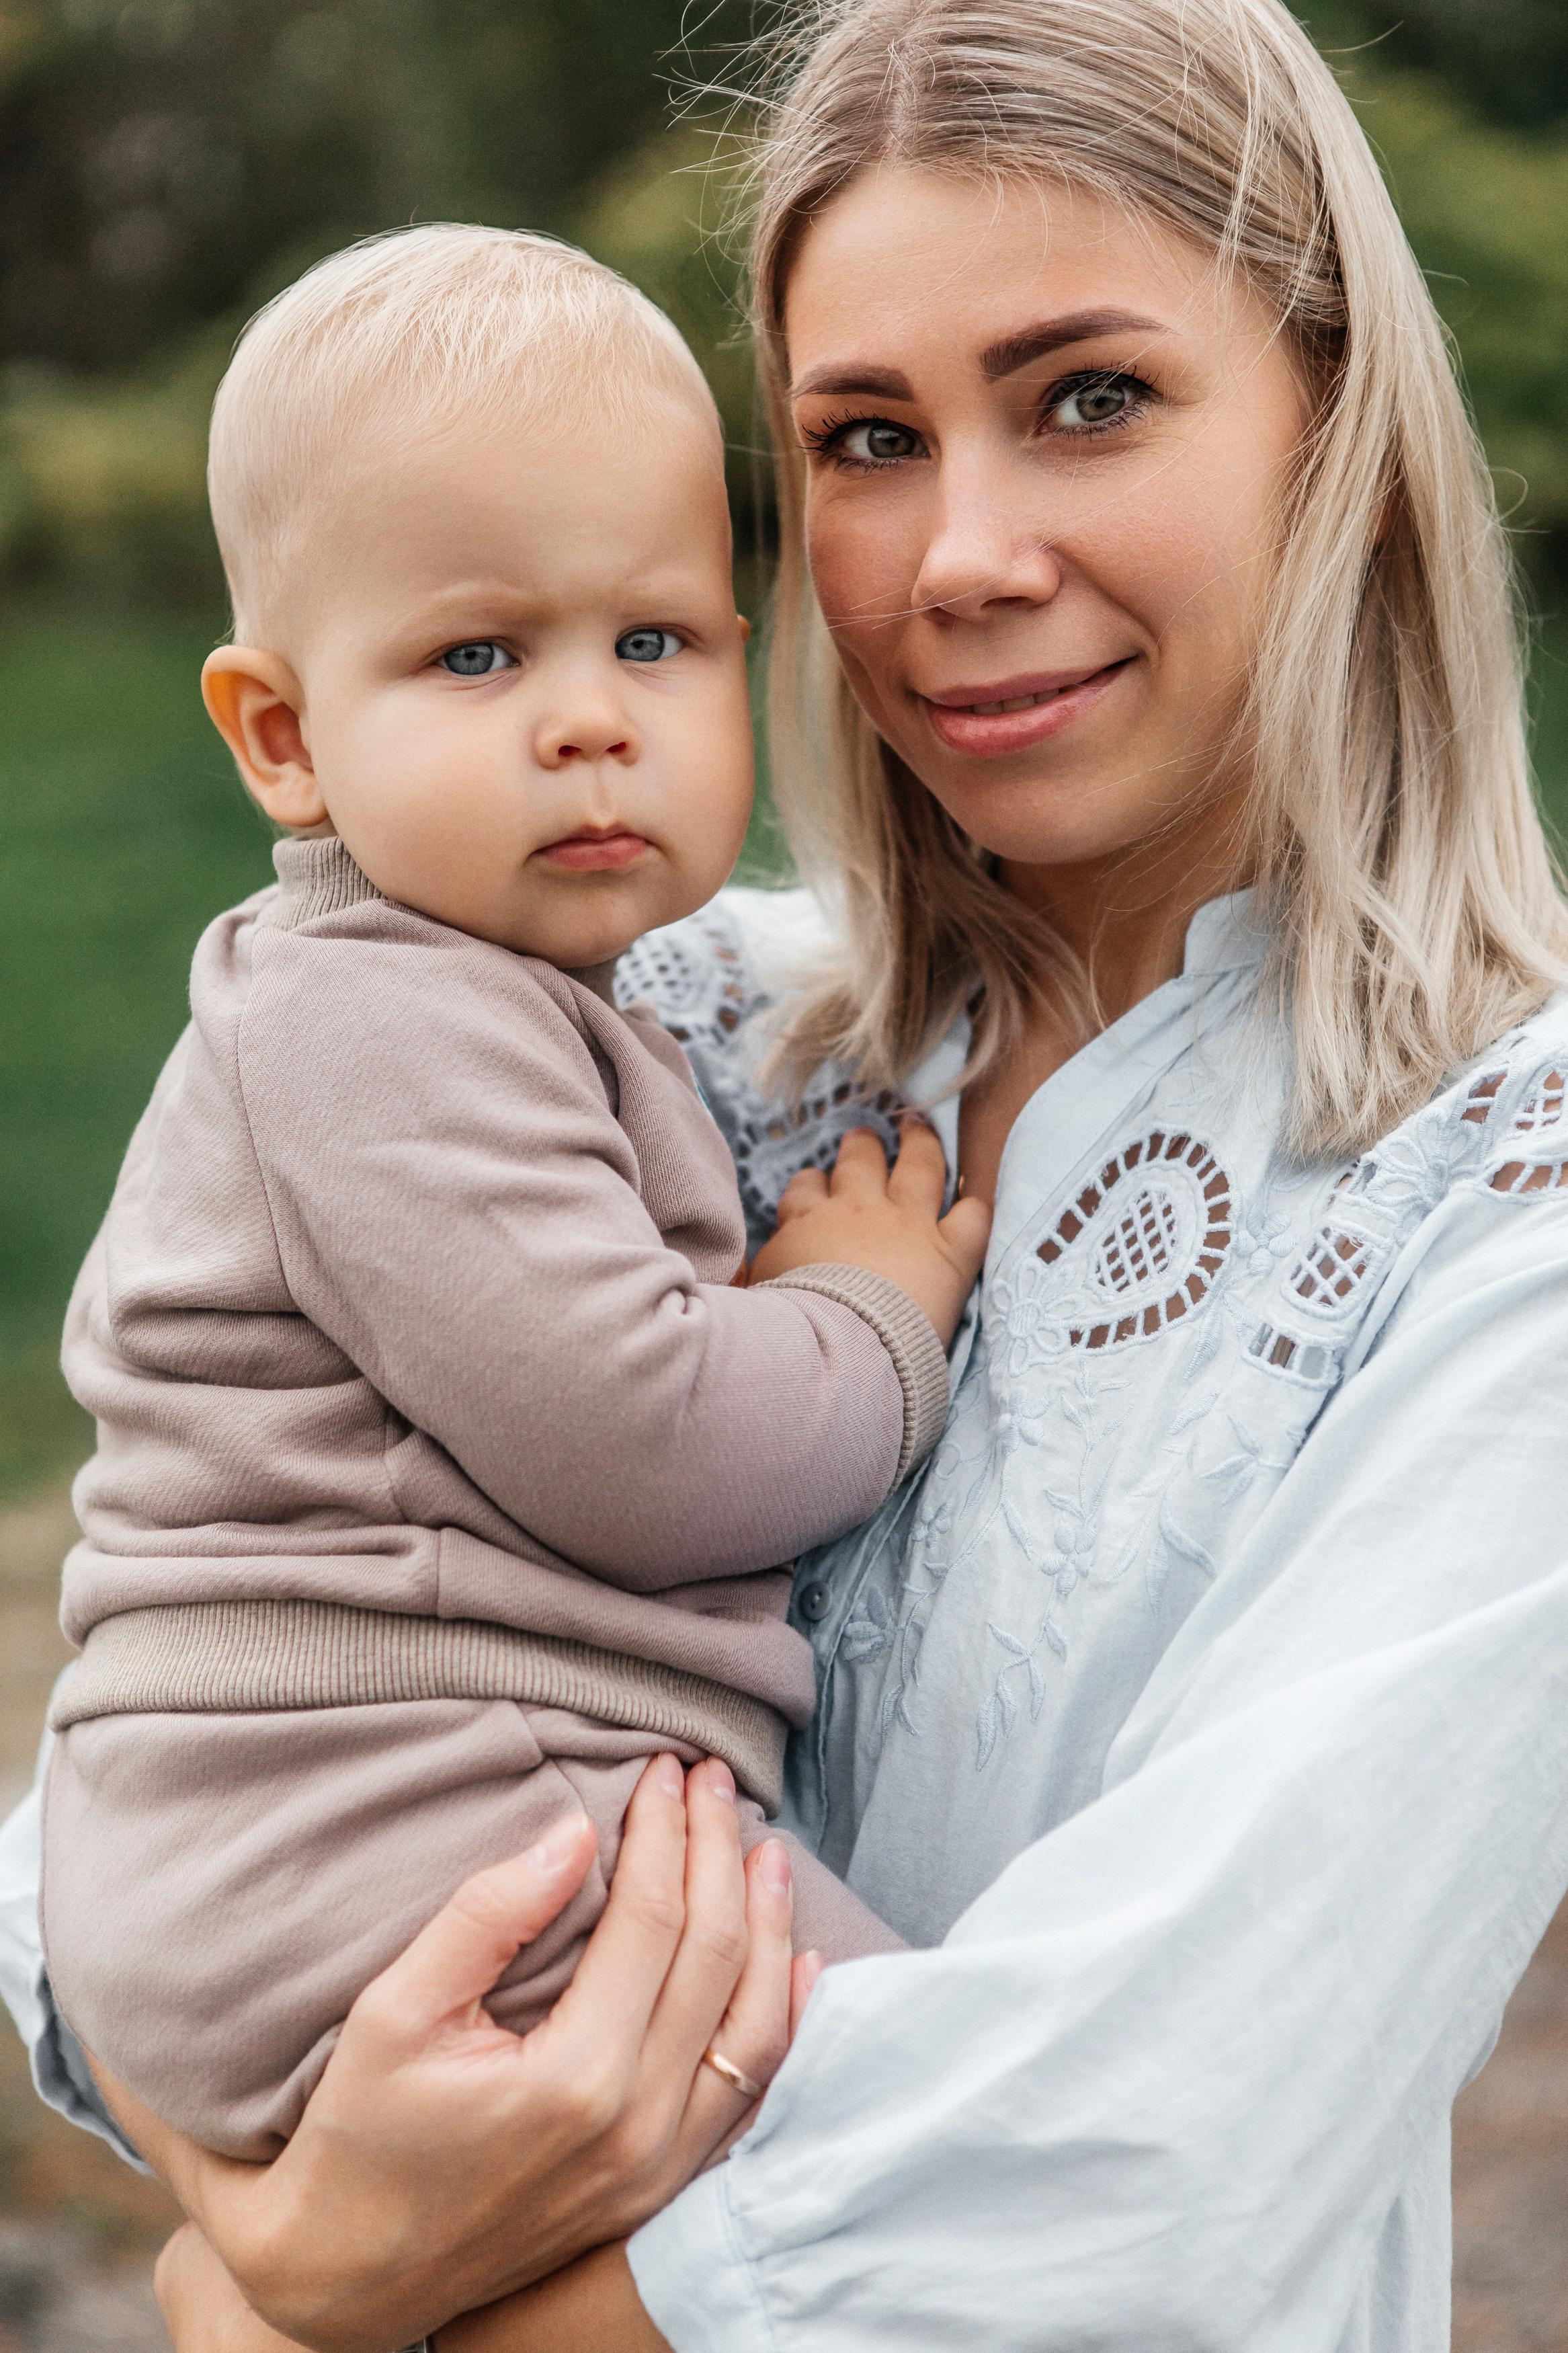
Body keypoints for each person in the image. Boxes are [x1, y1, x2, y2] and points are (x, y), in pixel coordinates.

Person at [5, 0, 1568, 2344]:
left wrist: (288, 2308)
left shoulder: (1501, 1193)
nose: (956, 552)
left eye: (1089, 398)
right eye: (861, 437)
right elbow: (135, 1784)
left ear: (1338, 423)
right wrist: (318, 2217)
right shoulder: (663, 1013)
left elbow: (1158, 2151)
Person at [34, 223, 986, 2162]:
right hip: (385, 1808)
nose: (588, 715)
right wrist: (869, 1314)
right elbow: (637, 1436)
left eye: (652, 638)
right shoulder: (375, 1027)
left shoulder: (474, 998)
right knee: (959, 2132)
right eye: (480, 652)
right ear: (283, 739)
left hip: (363, 1805)